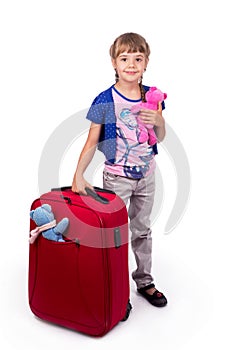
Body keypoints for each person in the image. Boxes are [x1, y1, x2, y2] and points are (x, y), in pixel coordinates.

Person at [72, 32, 167, 307]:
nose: (131, 64)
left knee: (142, 230)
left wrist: (159, 119)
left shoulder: (152, 96)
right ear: (114, 62)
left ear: (146, 62)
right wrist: (78, 175)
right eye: (124, 58)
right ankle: (115, 289)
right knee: (113, 235)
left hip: (147, 175)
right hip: (117, 177)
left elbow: (159, 136)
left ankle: (144, 281)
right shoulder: (105, 99)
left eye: (138, 58)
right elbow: (91, 140)